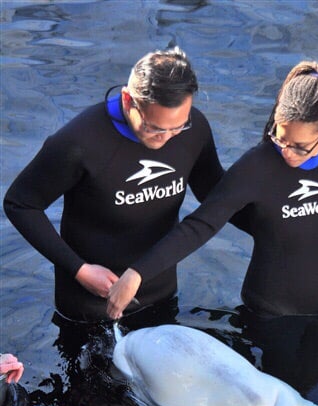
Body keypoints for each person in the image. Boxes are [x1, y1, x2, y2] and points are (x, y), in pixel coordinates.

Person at [106, 60, 318, 376]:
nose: (287, 152)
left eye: (300, 147)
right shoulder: (256, 168)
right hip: (271, 317)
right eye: (280, 138)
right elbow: (201, 225)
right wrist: (138, 273)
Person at [3, 47, 228, 328]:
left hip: (160, 293)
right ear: (128, 100)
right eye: (155, 128)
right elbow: (20, 204)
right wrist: (79, 270)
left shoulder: (195, 131)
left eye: (177, 127)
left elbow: (217, 202)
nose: (167, 138)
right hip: (90, 300)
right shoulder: (78, 142)